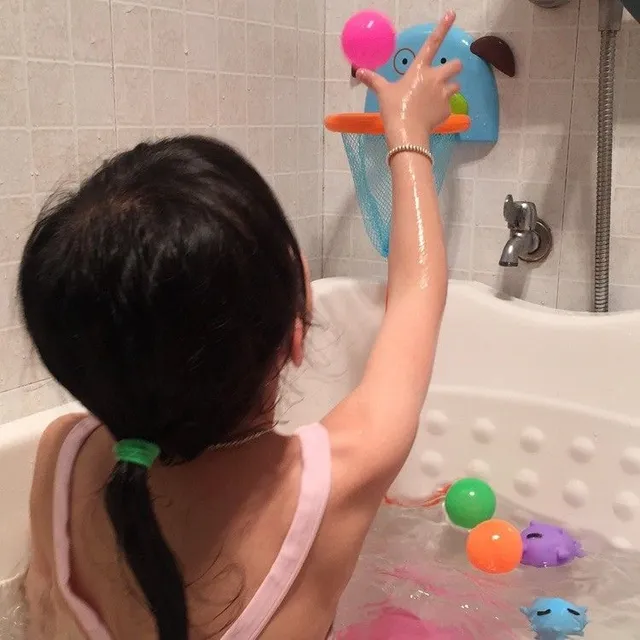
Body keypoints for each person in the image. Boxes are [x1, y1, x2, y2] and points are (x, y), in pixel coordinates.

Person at [19, 11, 461, 640]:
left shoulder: (60, 454)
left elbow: (38, 609)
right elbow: (419, 292)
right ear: (295, 335)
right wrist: (407, 133)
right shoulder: (329, 482)